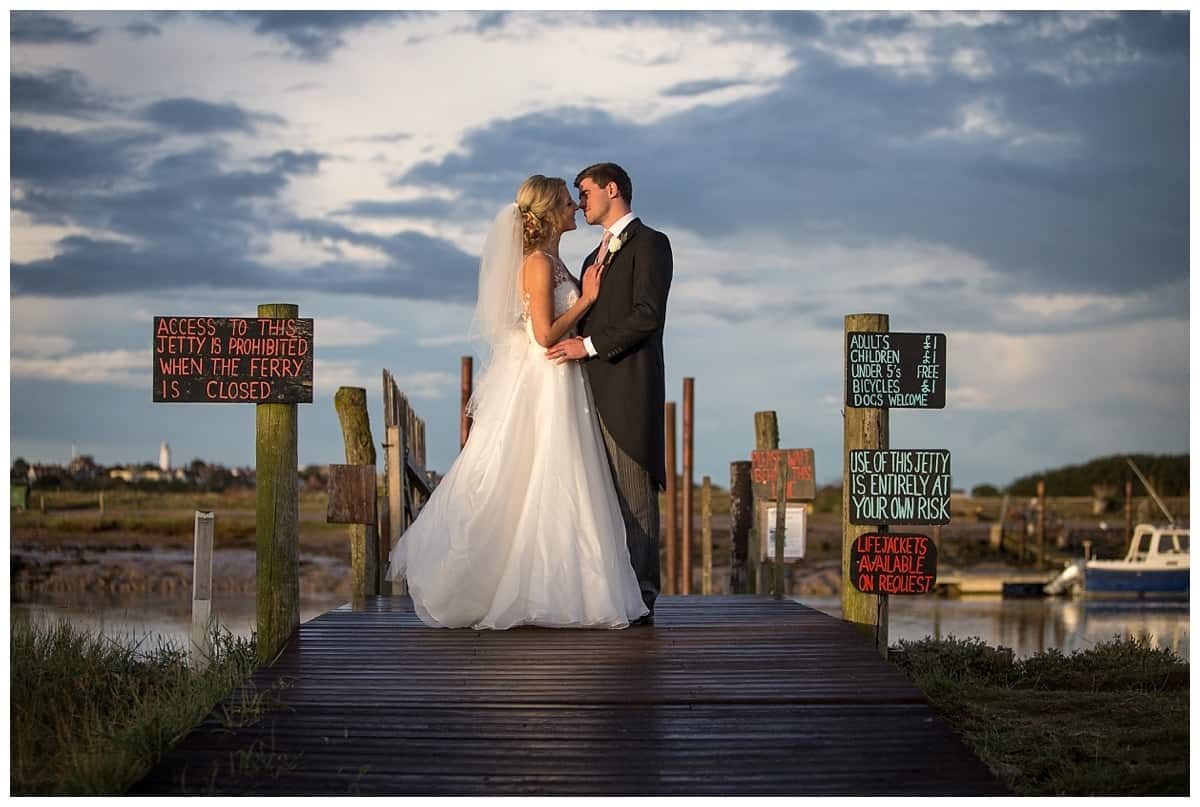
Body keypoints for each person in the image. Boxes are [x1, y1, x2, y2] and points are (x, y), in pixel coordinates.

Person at [386, 174, 648, 630]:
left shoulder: (554, 259)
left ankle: (563, 593)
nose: (575, 208)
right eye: (568, 203)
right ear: (549, 213)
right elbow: (544, 335)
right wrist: (586, 299)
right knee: (540, 476)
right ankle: (527, 590)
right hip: (545, 381)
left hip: (562, 382)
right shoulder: (539, 264)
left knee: (561, 483)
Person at [545, 162, 673, 623]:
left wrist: (589, 345)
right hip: (584, 394)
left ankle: (641, 600)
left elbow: (646, 315)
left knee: (634, 498)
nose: (581, 202)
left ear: (612, 189)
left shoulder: (652, 244)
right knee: (596, 496)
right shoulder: (587, 259)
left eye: (585, 192)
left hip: (628, 389)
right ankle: (605, 592)